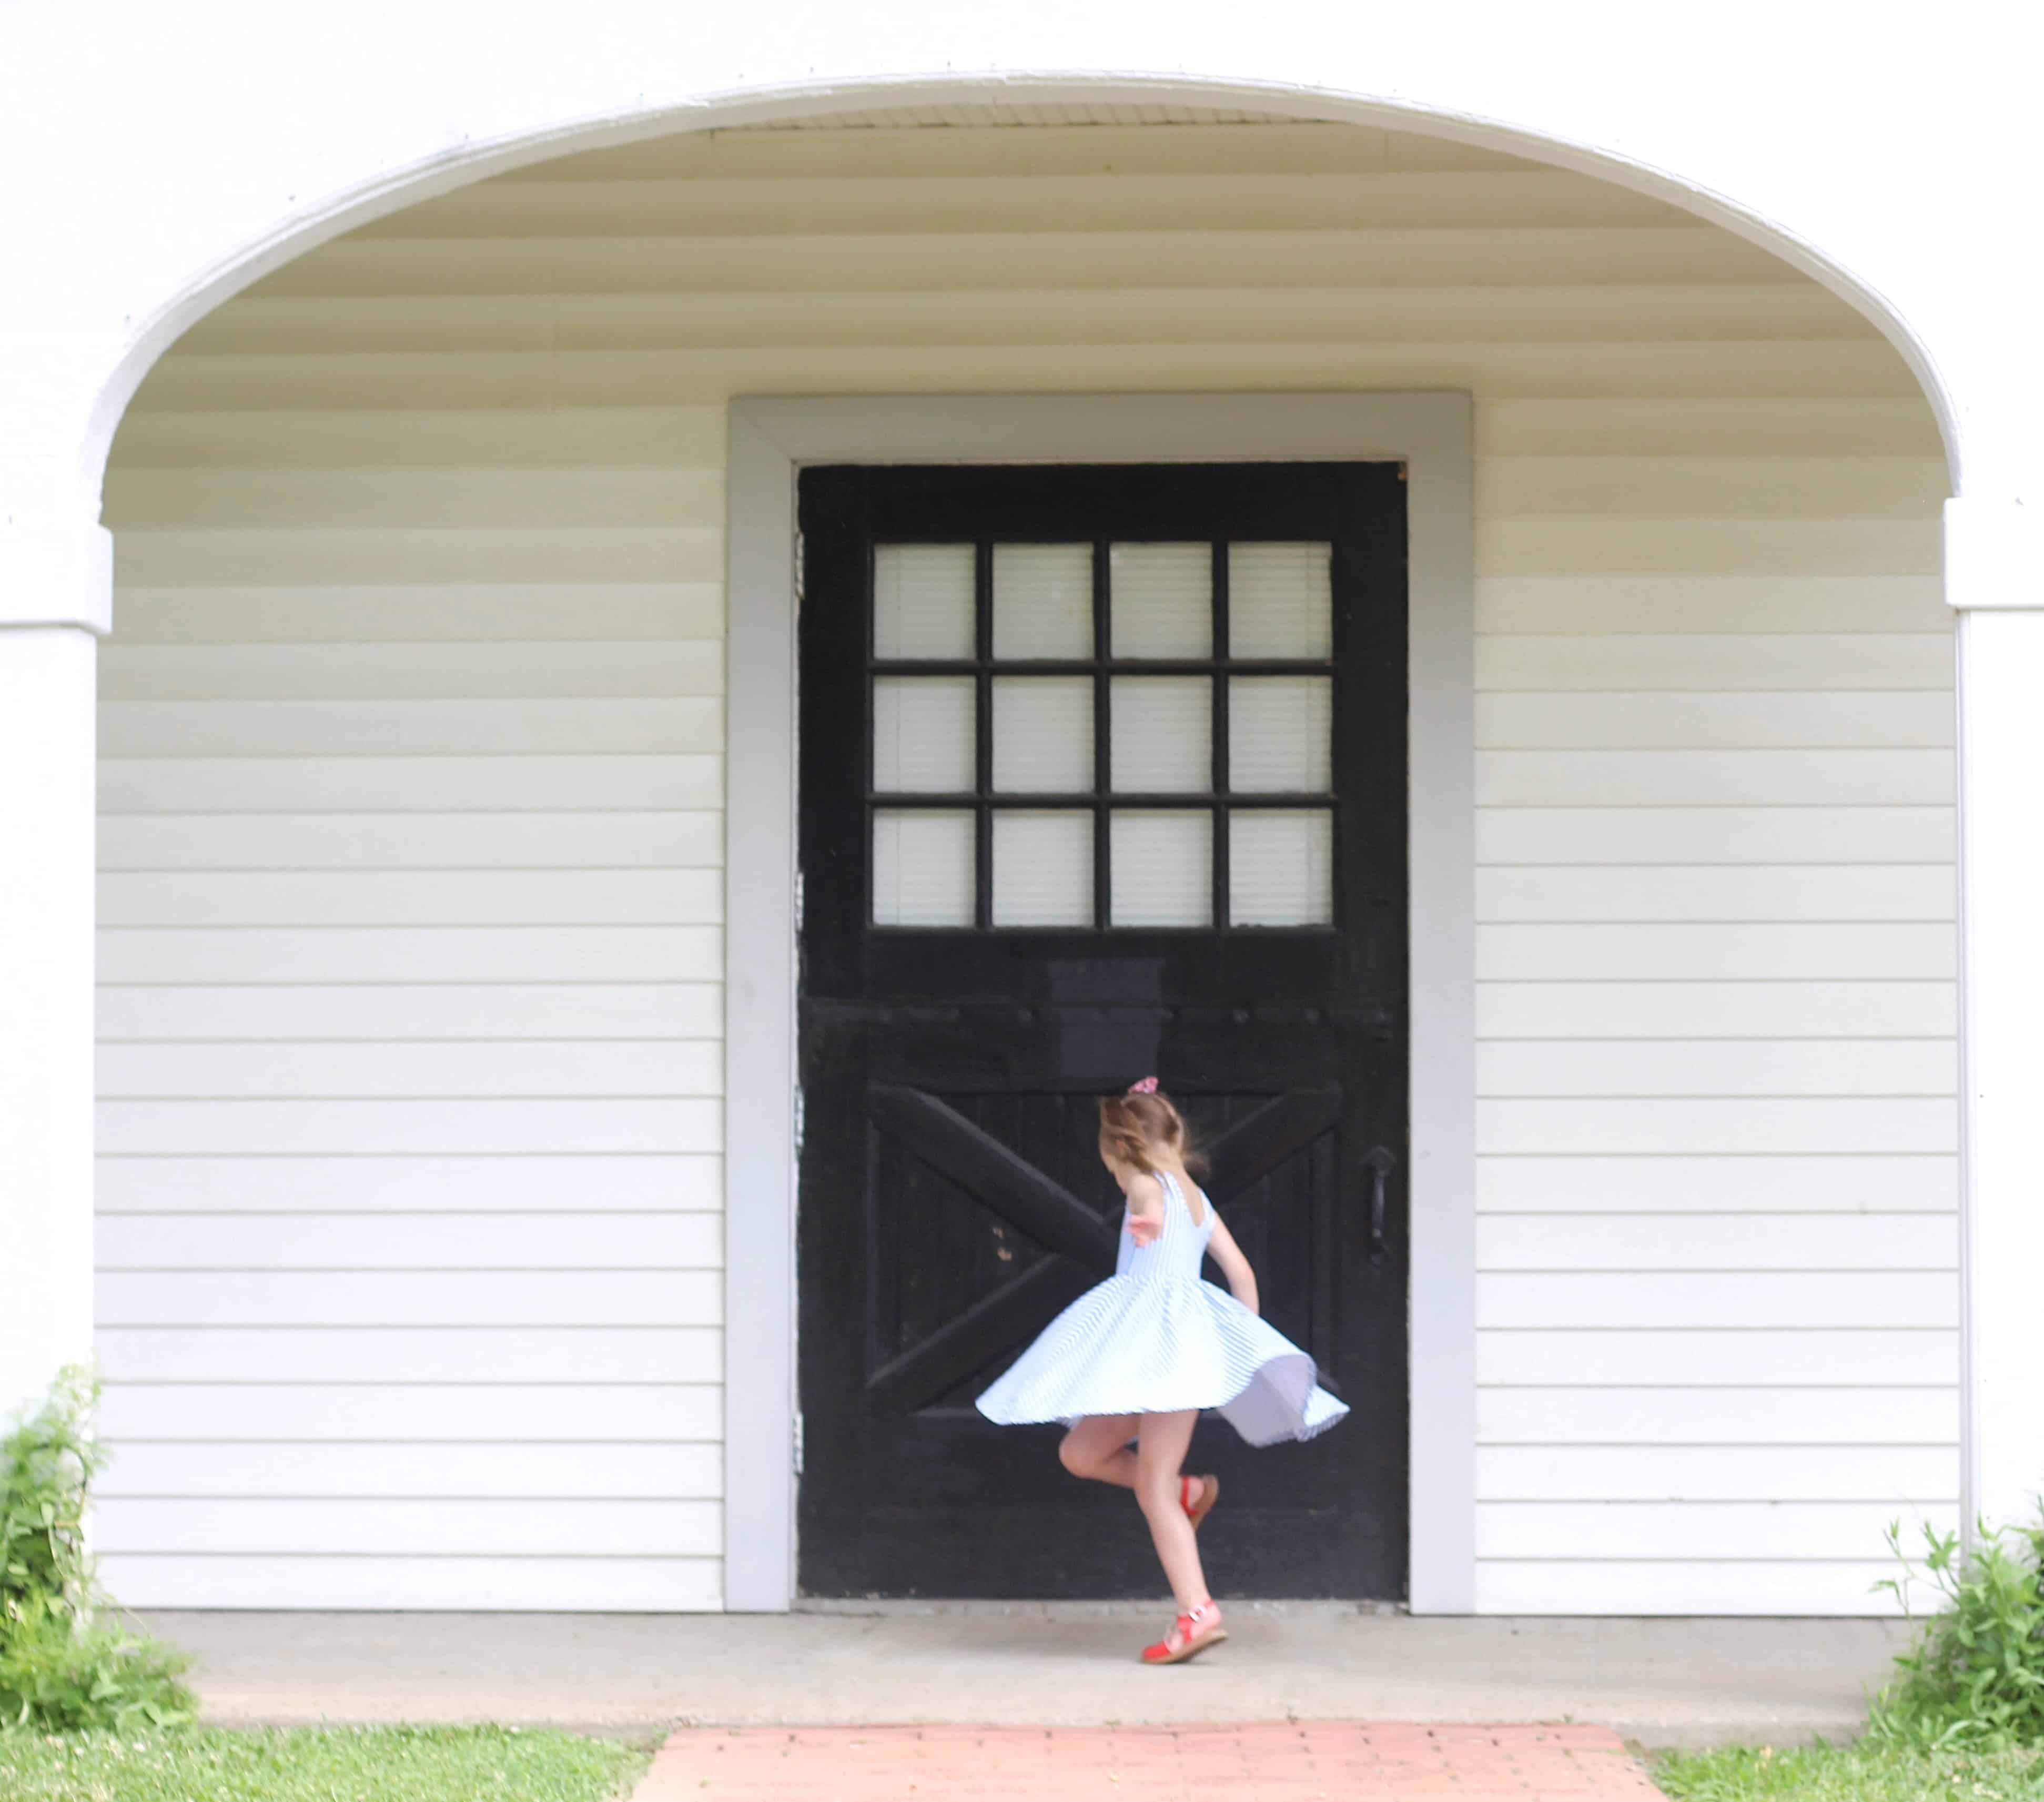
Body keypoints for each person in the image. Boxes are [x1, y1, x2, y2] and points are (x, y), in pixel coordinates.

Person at [976, 1078, 1349, 1664]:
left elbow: (1148, 1203)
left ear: (1120, 1149)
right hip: (1147, 1363)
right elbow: (1241, 1274)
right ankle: (1188, 1492)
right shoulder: (1197, 1199)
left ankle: (1196, 1612)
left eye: (1108, 1157)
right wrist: (1233, 1346)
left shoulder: (1146, 1188)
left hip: (1168, 1362)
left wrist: (1146, 1221)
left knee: (1150, 1486)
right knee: (1080, 1453)